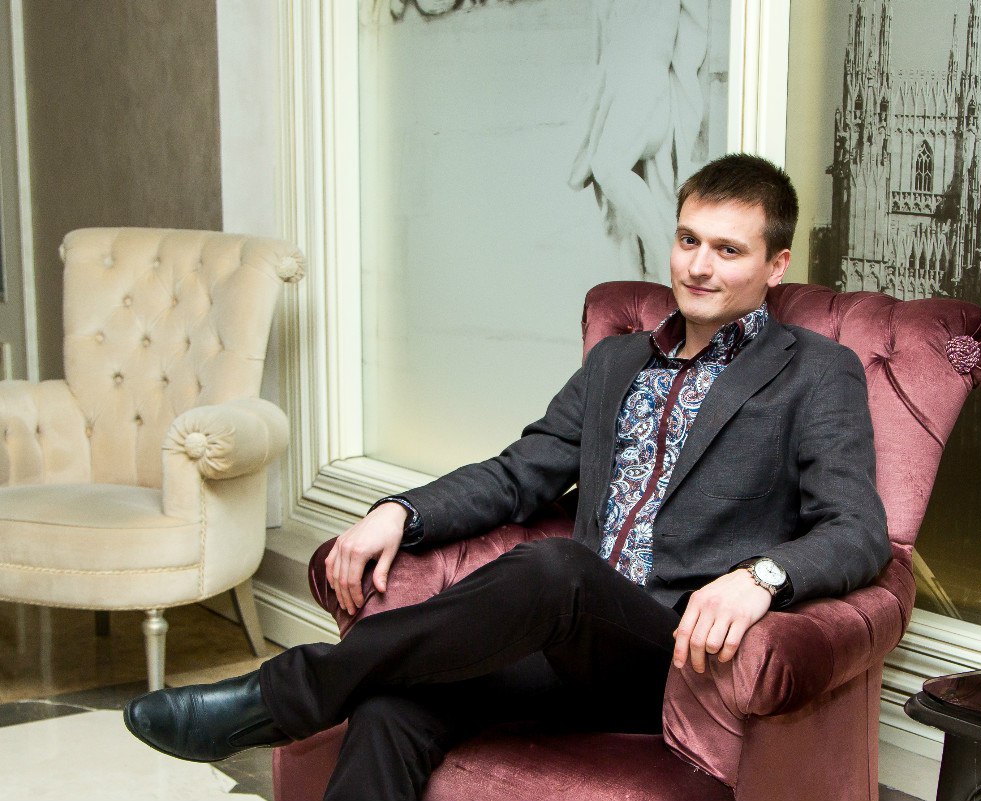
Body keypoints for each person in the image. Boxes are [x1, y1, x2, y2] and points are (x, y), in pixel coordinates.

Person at [123, 153, 890, 801]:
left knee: (559, 569)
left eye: (728, 249)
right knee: (392, 706)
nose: (697, 265)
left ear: (776, 264)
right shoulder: (619, 361)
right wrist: (400, 512)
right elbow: (522, 472)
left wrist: (760, 577)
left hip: (675, 659)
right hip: (560, 648)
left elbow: (857, 530)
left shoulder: (815, 373)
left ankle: (280, 694)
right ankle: (296, 696)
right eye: (688, 239)